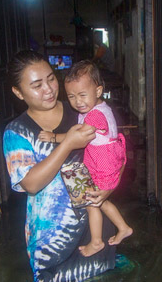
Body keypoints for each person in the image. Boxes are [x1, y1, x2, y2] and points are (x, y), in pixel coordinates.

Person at [3, 50, 119, 282]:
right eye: (36, 85)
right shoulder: (17, 132)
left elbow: (113, 150)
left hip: (94, 226)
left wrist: (110, 186)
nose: (48, 89)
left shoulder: (81, 110)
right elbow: (31, 184)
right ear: (18, 92)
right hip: (53, 237)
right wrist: (67, 143)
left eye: (51, 79)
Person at [38, 61, 132, 257]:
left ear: (98, 91)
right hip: (104, 160)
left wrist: (54, 137)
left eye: (82, 95)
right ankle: (123, 228)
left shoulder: (95, 116)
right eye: (71, 96)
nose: (77, 102)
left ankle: (96, 241)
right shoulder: (95, 108)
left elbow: (78, 139)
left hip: (105, 164)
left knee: (92, 204)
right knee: (101, 202)